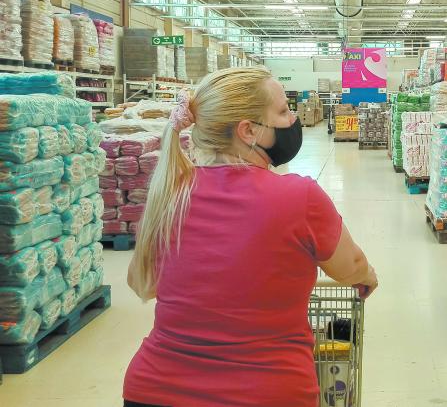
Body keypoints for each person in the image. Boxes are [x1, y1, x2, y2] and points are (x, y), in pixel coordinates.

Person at [123, 66, 378, 407]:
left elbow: (145, 284)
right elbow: (351, 266)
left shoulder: (170, 195)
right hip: (266, 391)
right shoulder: (299, 197)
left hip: (154, 390)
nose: (293, 119)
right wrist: (366, 277)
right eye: (284, 111)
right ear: (248, 131)